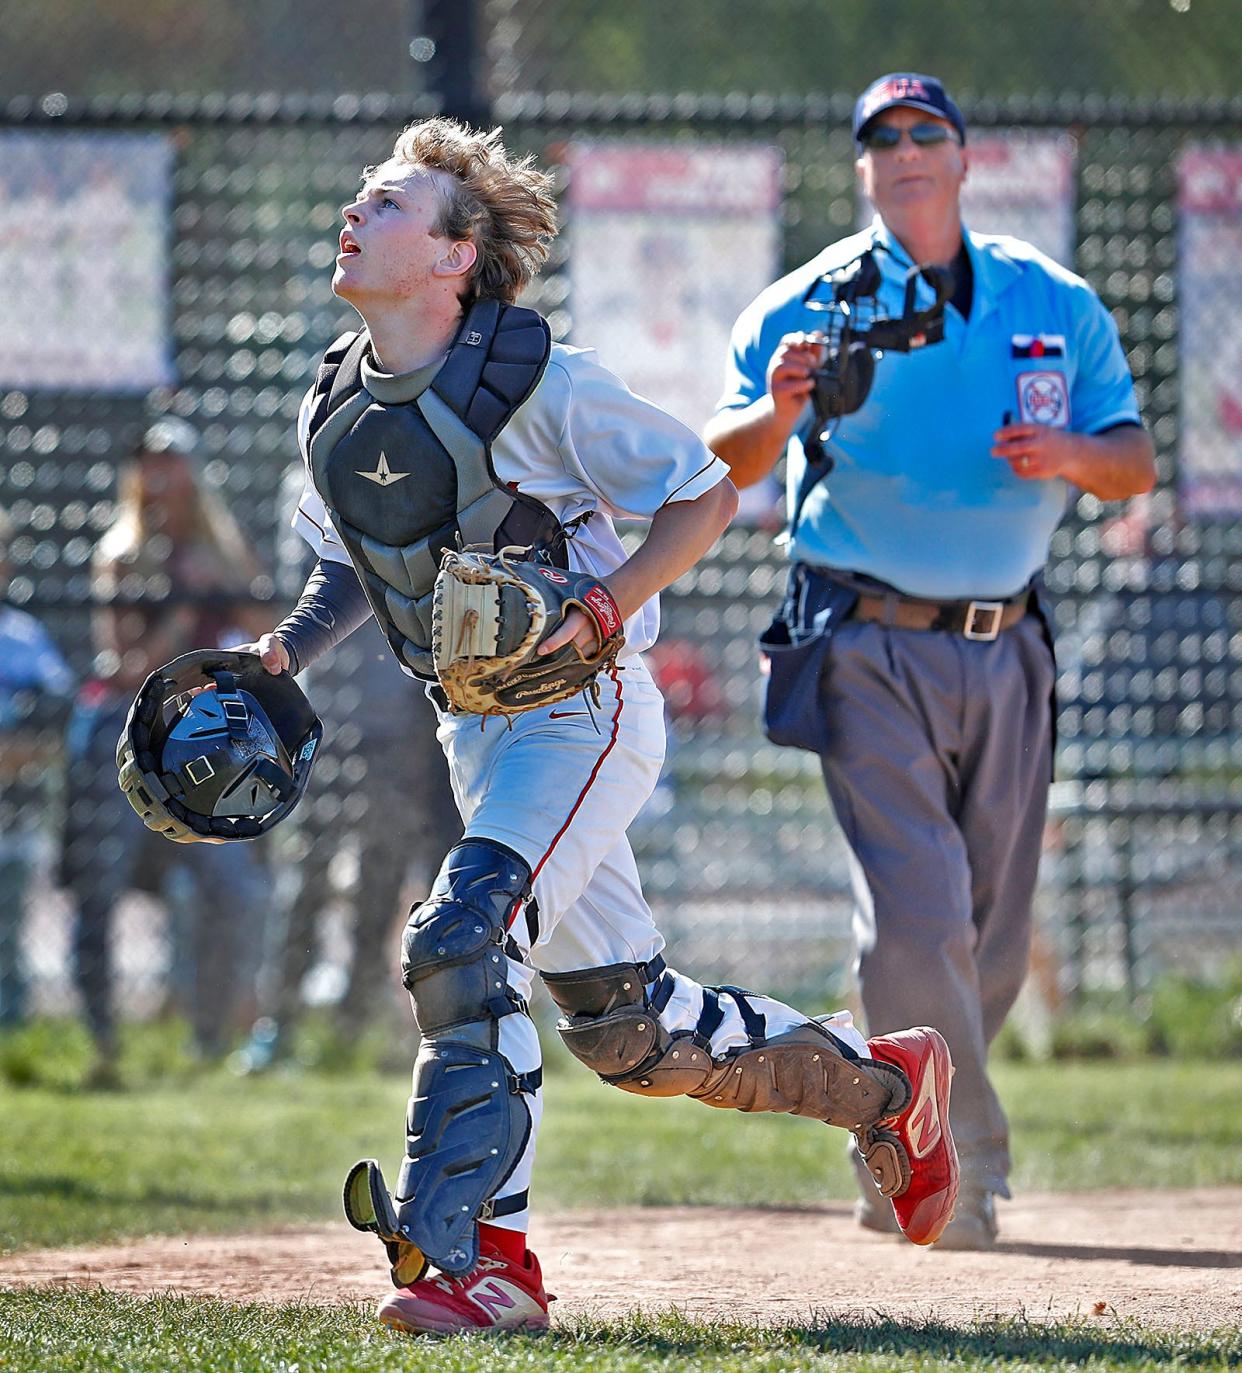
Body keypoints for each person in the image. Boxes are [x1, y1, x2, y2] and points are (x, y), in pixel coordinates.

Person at [248, 116, 960, 1337]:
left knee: (463, 941)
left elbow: (704, 489)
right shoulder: (341, 401)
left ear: (455, 256)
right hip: (479, 730)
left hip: (584, 709)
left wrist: (606, 605)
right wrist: (284, 654)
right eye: (362, 194)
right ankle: (890, 1083)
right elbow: (355, 567)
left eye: (391, 201)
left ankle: (482, 1262)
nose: (358, 210)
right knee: (631, 1028)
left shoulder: (541, 381)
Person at [704, 72, 1156, 1249]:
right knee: (917, 914)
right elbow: (729, 455)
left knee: (990, 932)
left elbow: (1134, 459)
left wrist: (1067, 453)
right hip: (867, 640)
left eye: (926, 132)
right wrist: (784, 403)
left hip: (1008, 643)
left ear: (962, 156)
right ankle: (962, 1169)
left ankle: (889, 1108)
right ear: (863, 168)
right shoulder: (806, 304)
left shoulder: (1045, 298)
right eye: (882, 138)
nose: (905, 150)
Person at [59, 419, 274, 1074]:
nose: (160, 477)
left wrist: (224, 582)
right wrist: (187, 605)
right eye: (149, 464)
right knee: (101, 886)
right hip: (126, 736)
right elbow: (128, 665)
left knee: (235, 889)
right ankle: (101, 1041)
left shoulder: (221, 546)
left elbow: (273, 633)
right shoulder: (121, 553)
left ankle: (210, 1038)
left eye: (172, 463)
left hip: (204, 739)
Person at [0, 507, 75, 1027]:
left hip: (11, 806)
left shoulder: (21, 634)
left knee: (6, 937)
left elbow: (56, 715)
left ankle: (12, 1037)